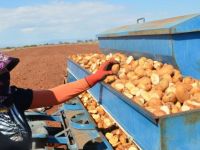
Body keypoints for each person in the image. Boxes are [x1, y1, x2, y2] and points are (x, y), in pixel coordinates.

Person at [0, 52, 118, 150]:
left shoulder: (12, 97)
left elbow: (54, 95)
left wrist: (94, 78)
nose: (5, 75)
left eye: (4, 70)